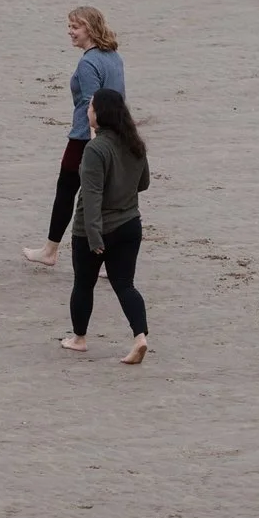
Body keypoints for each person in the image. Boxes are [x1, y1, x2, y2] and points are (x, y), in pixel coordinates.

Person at [26, 6, 125, 267]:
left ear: (90, 29)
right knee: (108, 197)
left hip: (85, 137)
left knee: (67, 191)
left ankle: (50, 251)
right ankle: (111, 259)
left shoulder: (88, 62)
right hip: (118, 134)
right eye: (69, 27)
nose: (70, 32)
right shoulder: (114, 56)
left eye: (75, 27)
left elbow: (93, 106)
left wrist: (95, 145)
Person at [62, 88, 150, 364]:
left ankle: (79, 339)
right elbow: (144, 183)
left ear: (100, 115)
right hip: (129, 224)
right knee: (125, 285)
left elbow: (91, 196)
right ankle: (140, 336)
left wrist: (93, 235)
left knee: (83, 284)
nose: (88, 111)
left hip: (96, 228)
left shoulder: (95, 148)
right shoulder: (134, 142)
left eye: (91, 107)